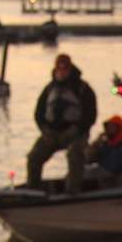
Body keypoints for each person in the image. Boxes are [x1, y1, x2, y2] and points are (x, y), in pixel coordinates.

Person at [26, 54, 97, 194]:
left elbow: (90, 115)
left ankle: (73, 190)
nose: (62, 71)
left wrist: (76, 130)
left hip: (76, 133)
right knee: (33, 157)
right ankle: (33, 191)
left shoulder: (83, 89)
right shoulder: (49, 89)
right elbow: (39, 114)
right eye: (59, 68)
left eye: (65, 68)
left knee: (74, 154)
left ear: (70, 69)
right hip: (52, 133)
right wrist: (45, 130)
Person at [85, 115, 122, 188]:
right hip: (99, 178)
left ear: (119, 128)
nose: (109, 129)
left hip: (115, 182)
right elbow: (88, 159)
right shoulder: (103, 144)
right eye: (108, 127)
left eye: (112, 127)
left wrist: (119, 182)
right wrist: (96, 144)